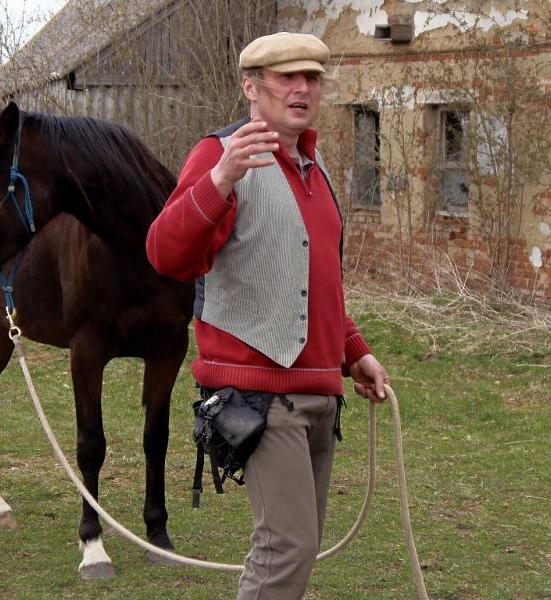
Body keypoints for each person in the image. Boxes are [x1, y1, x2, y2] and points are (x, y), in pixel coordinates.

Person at [146, 31, 390, 599]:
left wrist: (356, 353)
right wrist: (222, 179)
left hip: (319, 390)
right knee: (287, 548)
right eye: (287, 77)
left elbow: (317, 283)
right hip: (256, 394)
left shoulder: (315, 163)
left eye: (312, 78)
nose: (302, 88)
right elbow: (163, 253)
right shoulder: (219, 155)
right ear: (251, 88)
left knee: (298, 549)